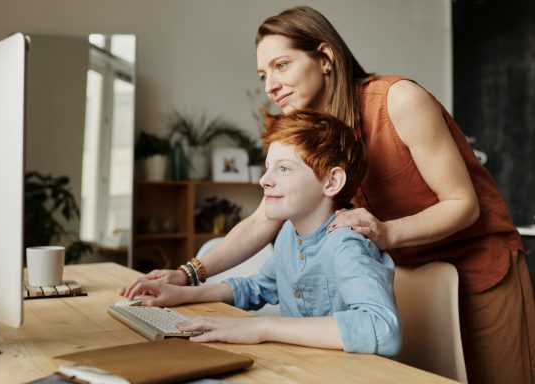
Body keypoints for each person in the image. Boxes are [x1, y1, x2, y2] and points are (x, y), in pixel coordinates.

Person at [122, 6, 534, 384]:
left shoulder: (399, 99)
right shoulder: (315, 131)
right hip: (408, 273)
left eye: (282, 65)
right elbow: (263, 219)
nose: (270, 85)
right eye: (264, 74)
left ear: (325, 57)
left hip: (480, 272)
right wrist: (188, 274)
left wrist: (386, 231)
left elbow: (463, 205)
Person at [126, 110, 401, 356]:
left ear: (331, 181)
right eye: (268, 167)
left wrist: (262, 327)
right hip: (302, 366)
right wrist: (183, 293)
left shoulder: (346, 244)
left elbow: (381, 328)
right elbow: (260, 287)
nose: (264, 179)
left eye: (283, 168)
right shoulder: (288, 235)